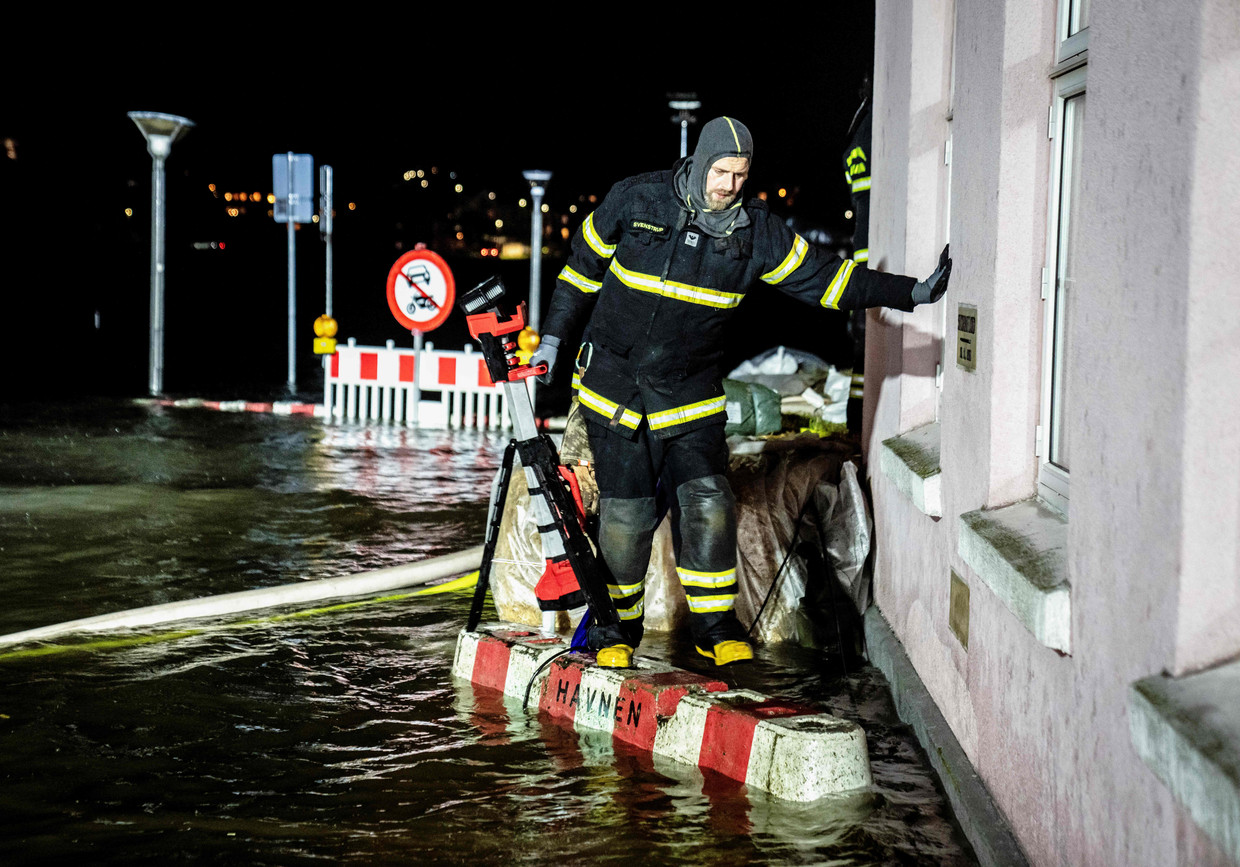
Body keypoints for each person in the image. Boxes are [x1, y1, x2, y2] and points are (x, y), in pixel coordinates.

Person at [532, 116, 950, 668]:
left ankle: (715, 628)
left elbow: (828, 280)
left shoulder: (757, 233)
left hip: (690, 396)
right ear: (701, 163)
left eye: (741, 174)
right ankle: (617, 630)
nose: (731, 184)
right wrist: (554, 341)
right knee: (626, 516)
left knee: (709, 504)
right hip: (618, 392)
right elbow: (580, 271)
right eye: (722, 172)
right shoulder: (637, 200)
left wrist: (911, 292)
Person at [843, 76, 873, 431]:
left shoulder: (858, 126)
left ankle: (855, 419)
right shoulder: (869, 126)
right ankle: (857, 422)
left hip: (861, 250)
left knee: (861, 344)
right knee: (864, 343)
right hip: (868, 250)